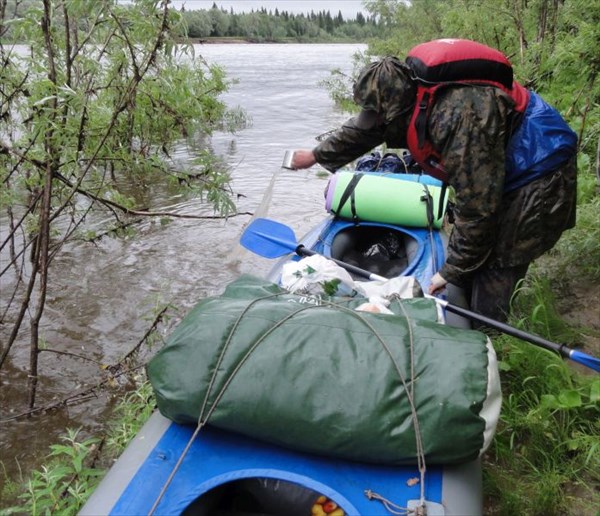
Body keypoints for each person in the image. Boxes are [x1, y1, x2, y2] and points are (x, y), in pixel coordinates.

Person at [291, 39, 578, 322]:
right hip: (501, 169)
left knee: (498, 263)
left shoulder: (456, 118)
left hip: (540, 170)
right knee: (469, 261)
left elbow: (478, 207)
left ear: (397, 109)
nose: (375, 123)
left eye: (379, 117)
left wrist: (450, 270)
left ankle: (491, 340)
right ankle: (466, 302)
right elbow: (366, 131)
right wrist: (315, 156)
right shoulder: (405, 93)